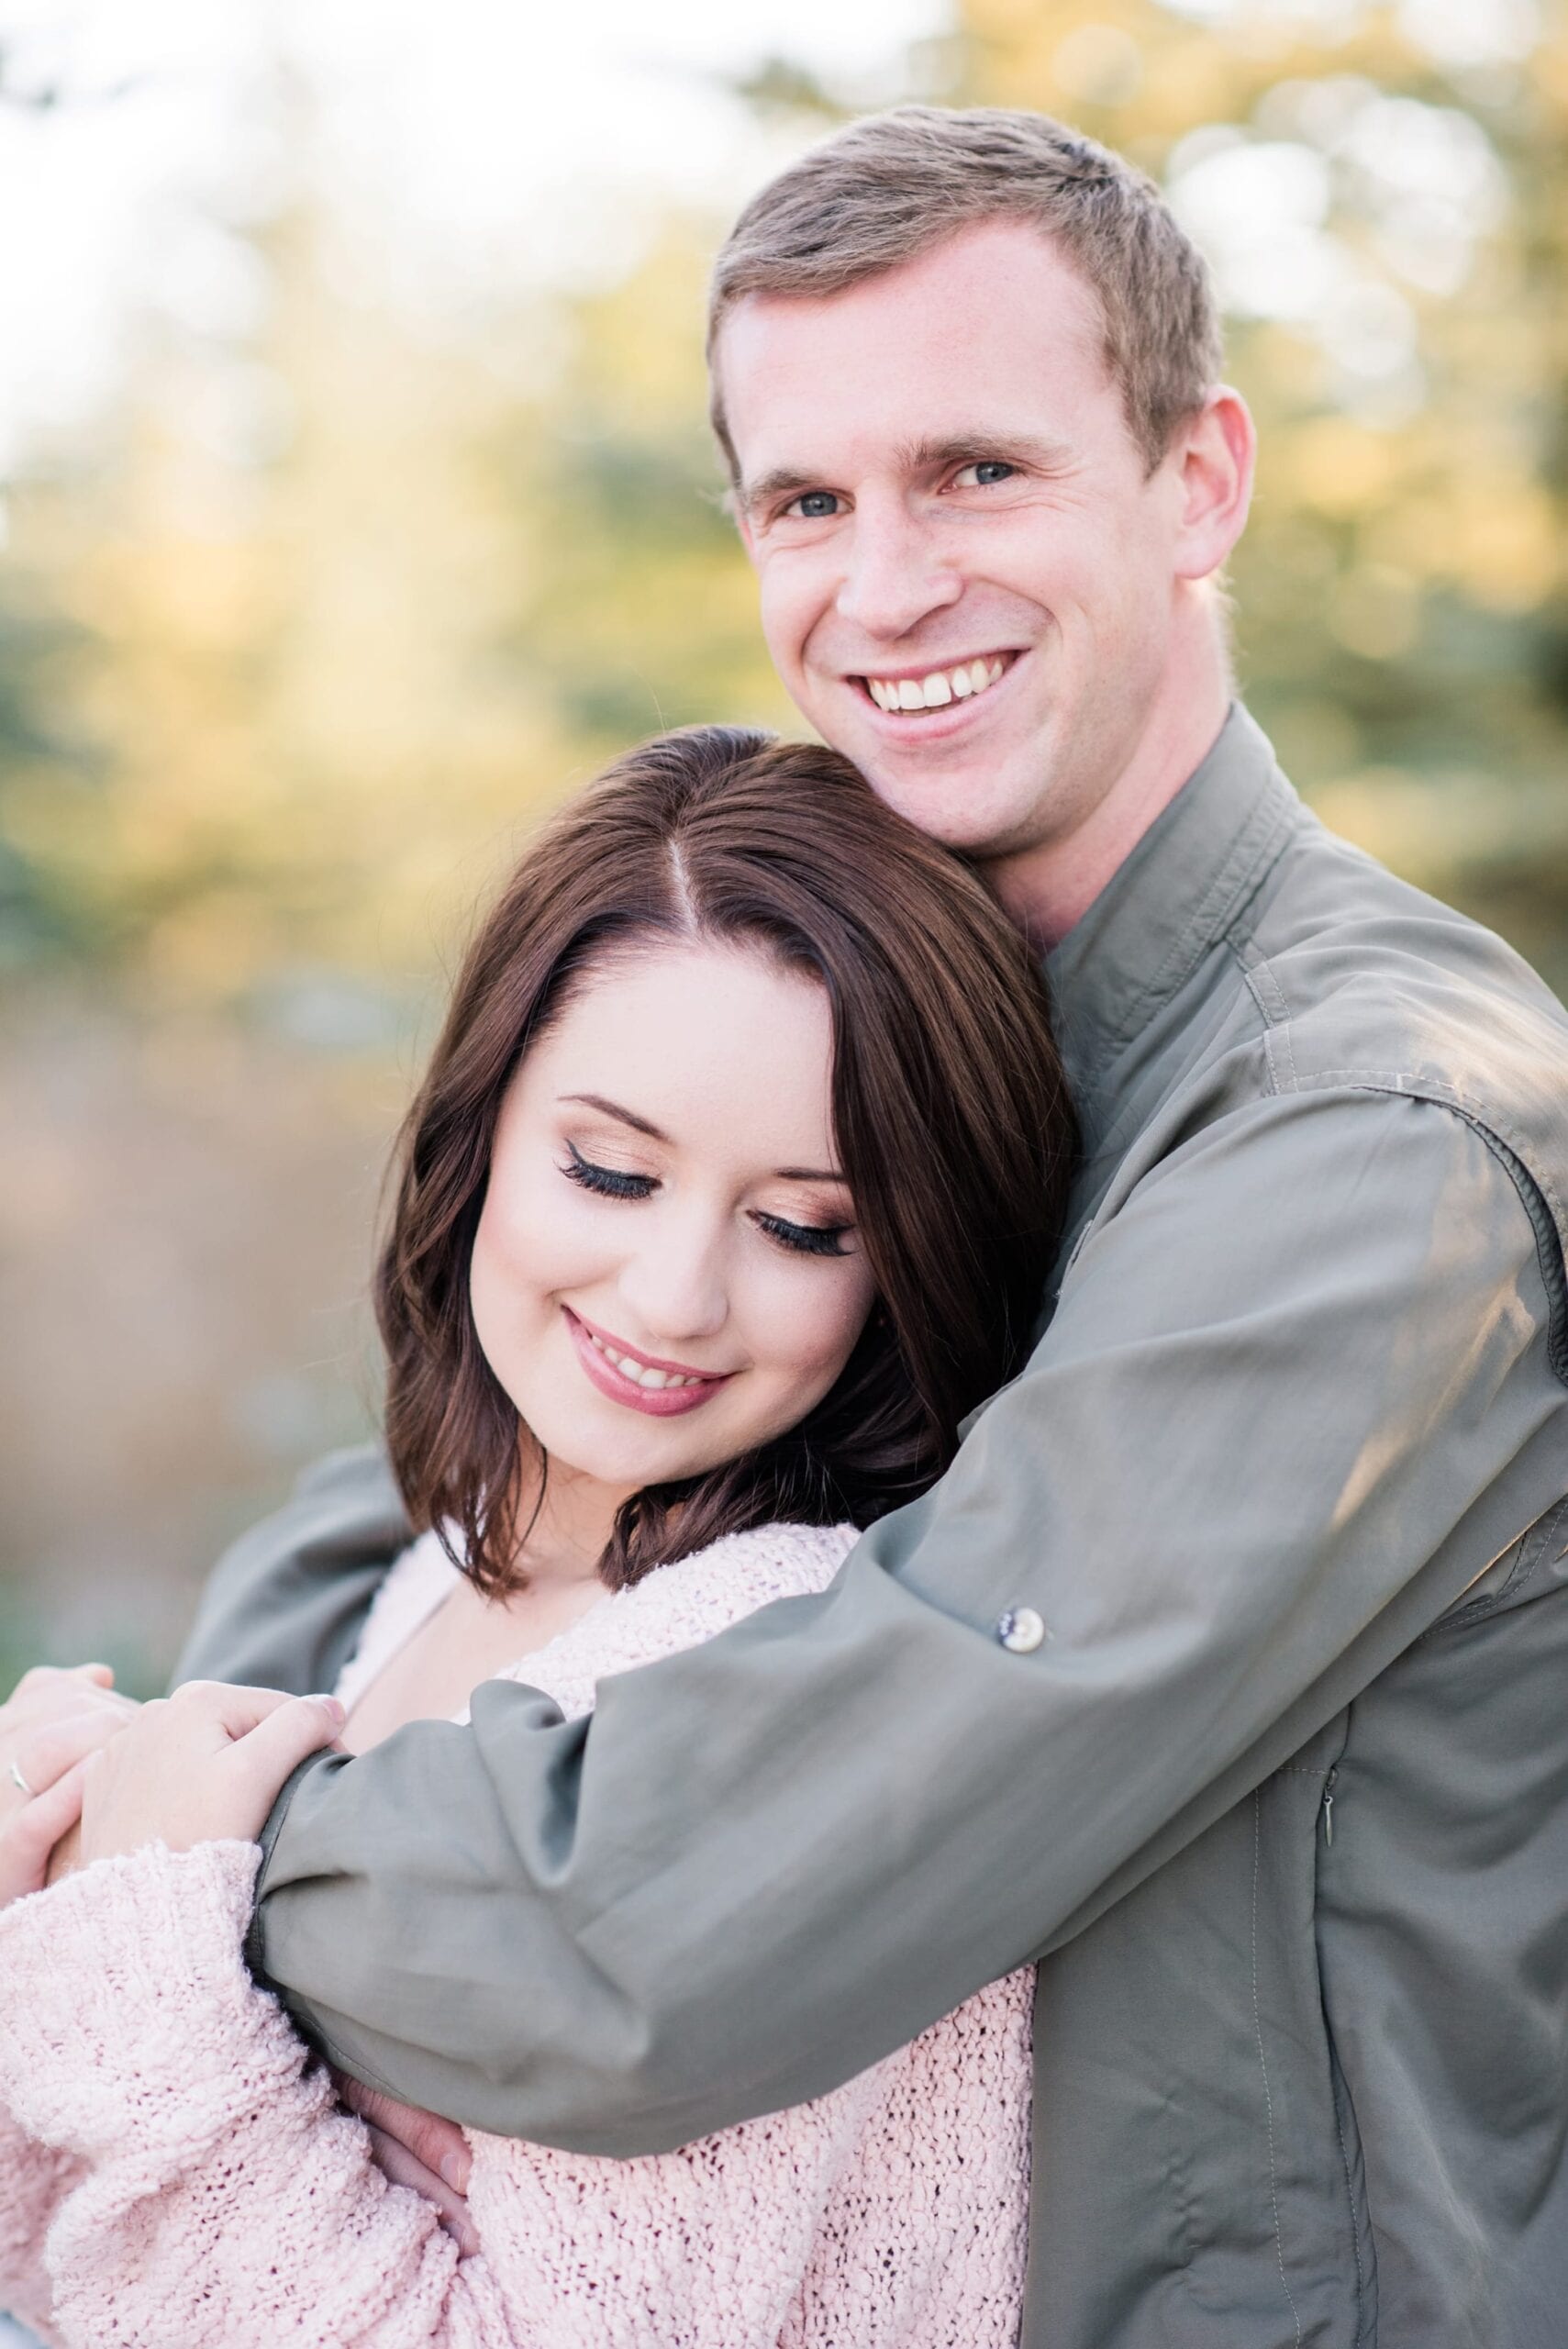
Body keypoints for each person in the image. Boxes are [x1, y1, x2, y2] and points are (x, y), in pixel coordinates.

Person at [8, 102, 1568, 2349]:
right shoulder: (909, 1000)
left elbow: (673, 1924)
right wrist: (228, 1728)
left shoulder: (1368, 1133)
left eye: (979, 472)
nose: (888, 581)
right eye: (809, 501)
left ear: (1201, 479)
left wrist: (175, 1857)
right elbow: (457, 1509)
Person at [0, 725, 1073, 2344]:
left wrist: (141, 1935)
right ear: (482, 1128)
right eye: (610, 1169)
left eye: (800, 1224)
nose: (675, 1298)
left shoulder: (777, 1676)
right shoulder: (449, 1555)